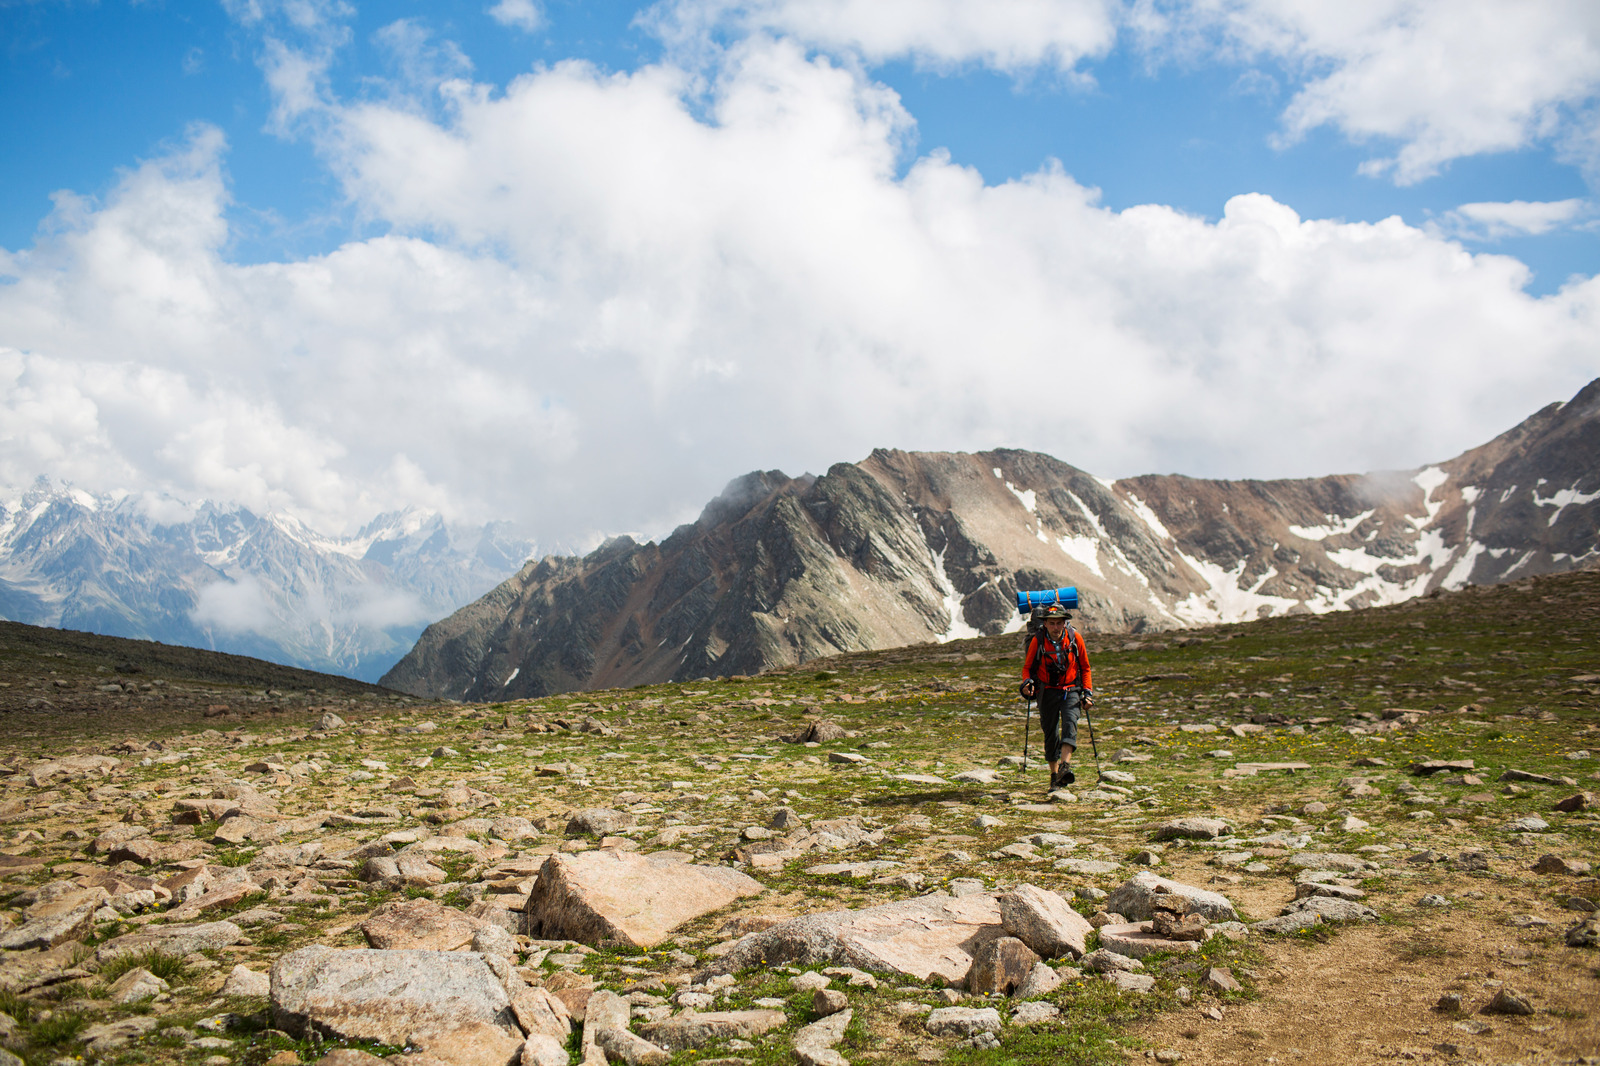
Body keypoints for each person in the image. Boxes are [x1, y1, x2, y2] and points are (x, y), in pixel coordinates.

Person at [1019, 603, 1093, 789]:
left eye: (1059, 623)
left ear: (1064, 623)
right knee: (1050, 733)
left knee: (1070, 724)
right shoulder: (1038, 640)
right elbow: (1028, 668)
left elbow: (1085, 667)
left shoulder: (1075, 638)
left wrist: (1087, 692)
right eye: (1051, 623)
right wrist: (1027, 683)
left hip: (1071, 690)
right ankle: (1054, 776)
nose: (1055, 627)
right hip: (1047, 691)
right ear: (1045, 624)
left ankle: (1064, 767)